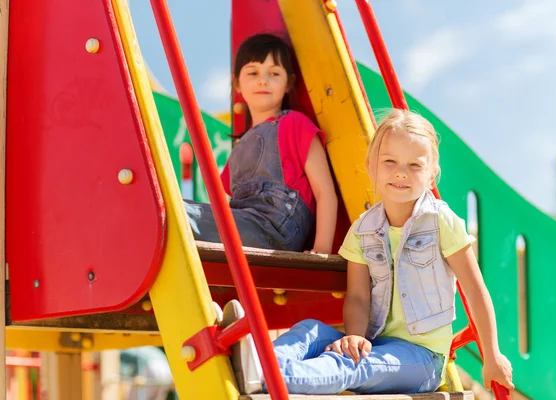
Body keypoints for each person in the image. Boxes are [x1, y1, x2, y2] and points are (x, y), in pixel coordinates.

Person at [219, 109, 515, 395]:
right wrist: (355, 336)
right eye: (390, 161)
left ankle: (268, 375)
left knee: (351, 364)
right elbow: (358, 296)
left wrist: (492, 355)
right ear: (371, 165)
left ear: (431, 175)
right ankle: (261, 360)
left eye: (414, 165)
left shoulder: (441, 222)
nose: (401, 173)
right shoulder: (363, 230)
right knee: (311, 331)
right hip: (375, 341)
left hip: (421, 359)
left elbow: (475, 291)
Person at [184, 34, 337, 254]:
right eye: (253, 72)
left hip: (275, 230)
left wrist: (322, 248)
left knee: (176, 213)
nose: (263, 80)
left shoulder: (295, 124)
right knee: (169, 210)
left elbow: (325, 192)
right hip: (242, 224)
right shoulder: (239, 148)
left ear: (289, 83)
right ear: (237, 83)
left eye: (274, 73)